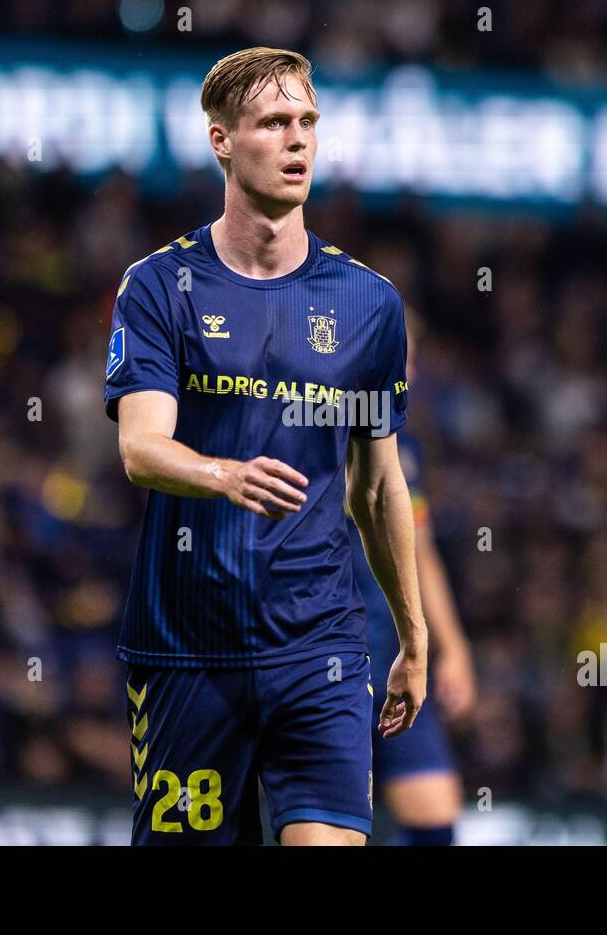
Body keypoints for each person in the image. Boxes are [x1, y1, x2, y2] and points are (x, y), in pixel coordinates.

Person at [104, 46, 427, 845]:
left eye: (308, 122)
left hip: (319, 645)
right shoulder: (157, 287)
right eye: (274, 123)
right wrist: (223, 474)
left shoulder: (368, 303)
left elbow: (379, 488)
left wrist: (414, 637)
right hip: (189, 652)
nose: (298, 141)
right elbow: (142, 450)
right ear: (221, 140)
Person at [353, 425, 476, 845]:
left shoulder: (403, 447)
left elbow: (422, 552)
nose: (411, 371)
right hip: (325, 658)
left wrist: (454, 648)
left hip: (397, 665)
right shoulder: (303, 426)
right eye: (406, 359)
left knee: (435, 827)